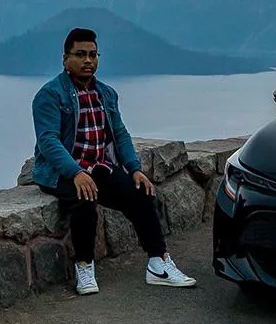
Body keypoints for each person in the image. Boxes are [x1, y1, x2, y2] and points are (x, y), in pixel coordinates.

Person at [31, 26, 197, 295]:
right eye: (80, 54)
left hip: (98, 167)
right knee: (84, 199)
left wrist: (135, 169)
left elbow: (120, 134)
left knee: (141, 193)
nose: (88, 60)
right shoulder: (50, 95)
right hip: (60, 172)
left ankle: (159, 263)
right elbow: (48, 141)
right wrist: (75, 172)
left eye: (93, 54)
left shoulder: (106, 94)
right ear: (65, 59)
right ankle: (84, 266)